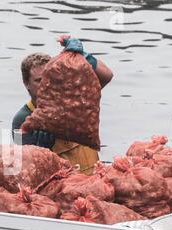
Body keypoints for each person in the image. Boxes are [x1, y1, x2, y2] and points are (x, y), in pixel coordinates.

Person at [12, 35, 114, 175]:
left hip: (96, 181)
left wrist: (82, 56)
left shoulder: (74, 100)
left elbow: (106, 75)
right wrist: (40, 150)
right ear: (26, 84)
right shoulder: (22, 119)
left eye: (48, 77)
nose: (44, 85)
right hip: (63, 189)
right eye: (38, 80)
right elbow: (21, 170)